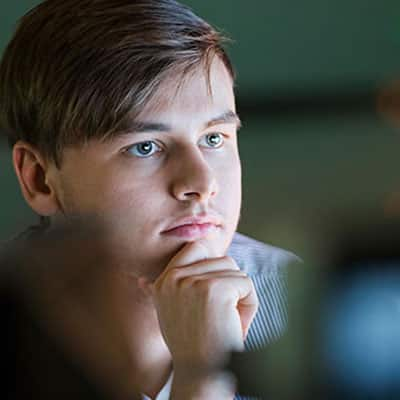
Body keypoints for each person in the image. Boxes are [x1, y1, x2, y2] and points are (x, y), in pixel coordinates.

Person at [0, 0, 298, 398]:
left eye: (213, 138)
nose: (202, 183)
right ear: (40, 179)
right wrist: (203, 376)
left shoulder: (306, 301)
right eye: (145, 147)